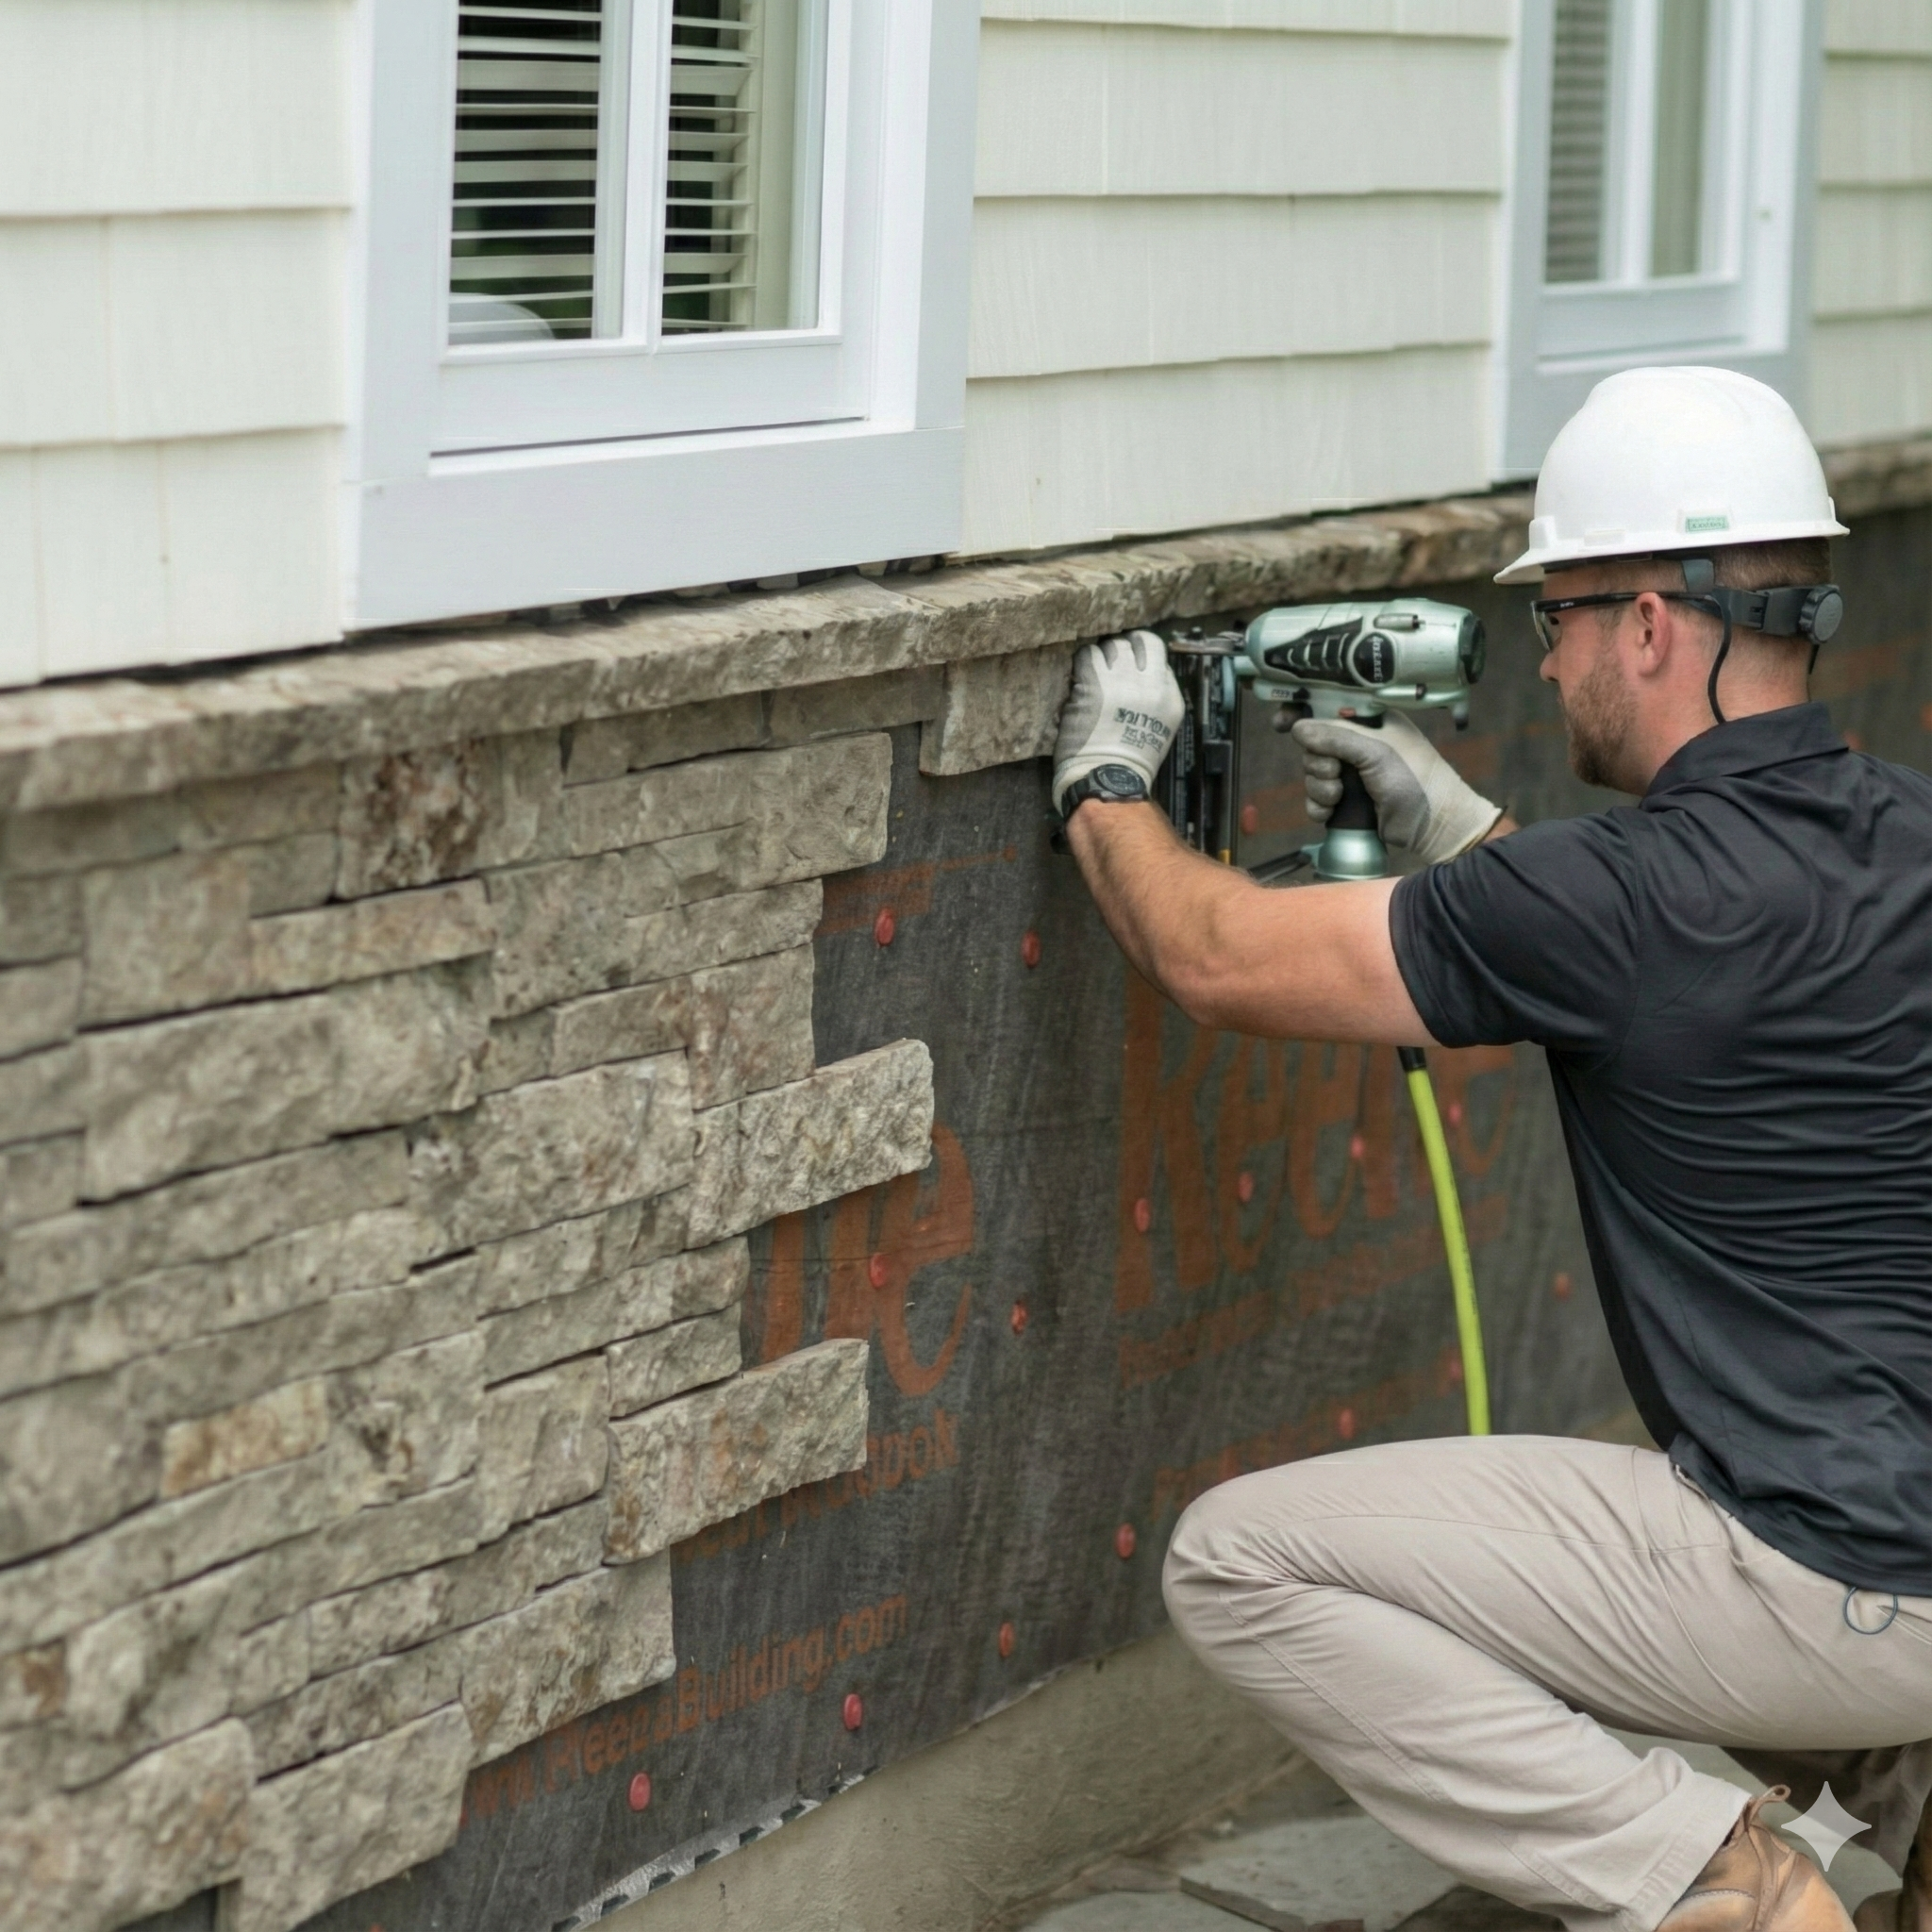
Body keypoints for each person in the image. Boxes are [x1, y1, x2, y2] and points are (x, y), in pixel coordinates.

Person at [1053, 366, 1932, 1932]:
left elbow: (1215, 955)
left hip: (1832, 1566)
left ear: (1652, 624)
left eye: (1561, 619)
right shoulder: (1900, 834)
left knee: (1240, 1563)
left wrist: (1110, 783)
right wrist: (1463, 835)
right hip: (1906, 1534)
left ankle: (1722, 1886)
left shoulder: (1624, 898)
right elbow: (1691, 965)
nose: (1554, 658)